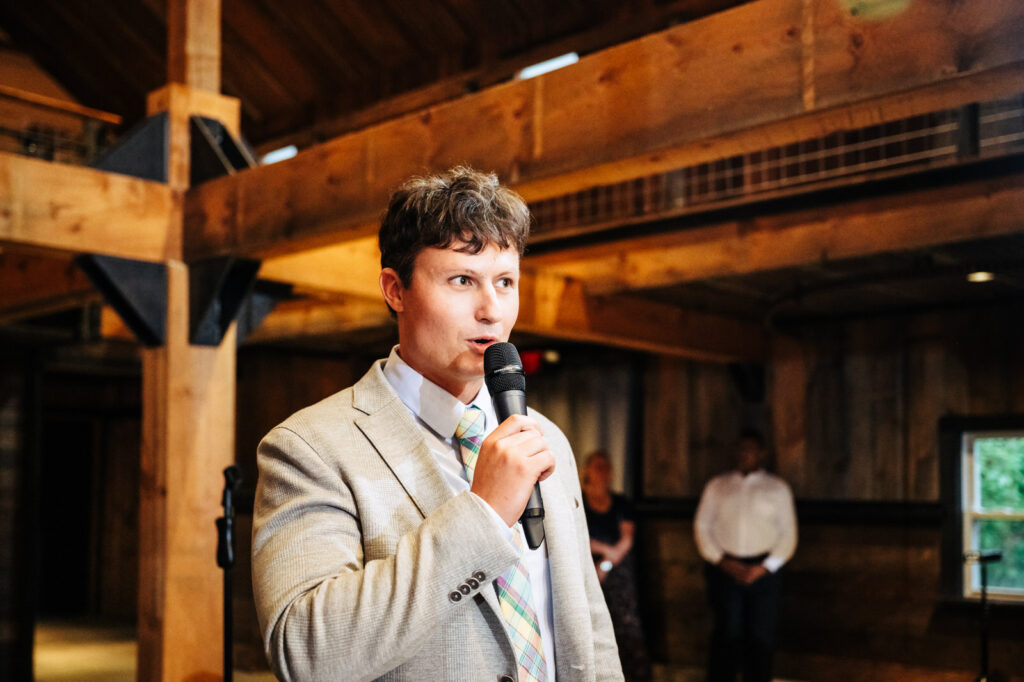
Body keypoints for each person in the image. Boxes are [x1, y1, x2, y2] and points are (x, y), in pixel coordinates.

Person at [251, 166, 623, 682]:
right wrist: (484, 515)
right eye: (462, 280)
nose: (491, 309)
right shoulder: (310, 447)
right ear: (395, 290)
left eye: (505, 281)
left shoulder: (542, 435)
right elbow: (307, 654)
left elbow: (588, 628)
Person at [693, 429, 797, 682]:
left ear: (762, 454)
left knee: (761, 636)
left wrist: (764, 568)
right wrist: (721, 560)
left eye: (750, 450)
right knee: (726, 633)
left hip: (763, 572)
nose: (744, 455)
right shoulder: (718, 486)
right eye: (740, 449)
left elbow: (788, 534)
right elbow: (702, 526)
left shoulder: (777, 488)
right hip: (726, 568)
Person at [581, 451, 651, 682]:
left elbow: (626, 540)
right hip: (587, 568)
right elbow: (579, 538)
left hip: (615, 569)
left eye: (606, 467)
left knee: (626, 622)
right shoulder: (579, 502)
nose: (602, 471)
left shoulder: (620, 503)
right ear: (587, 471)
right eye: (597, 466)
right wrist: (602, 556)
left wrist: (607, 563)